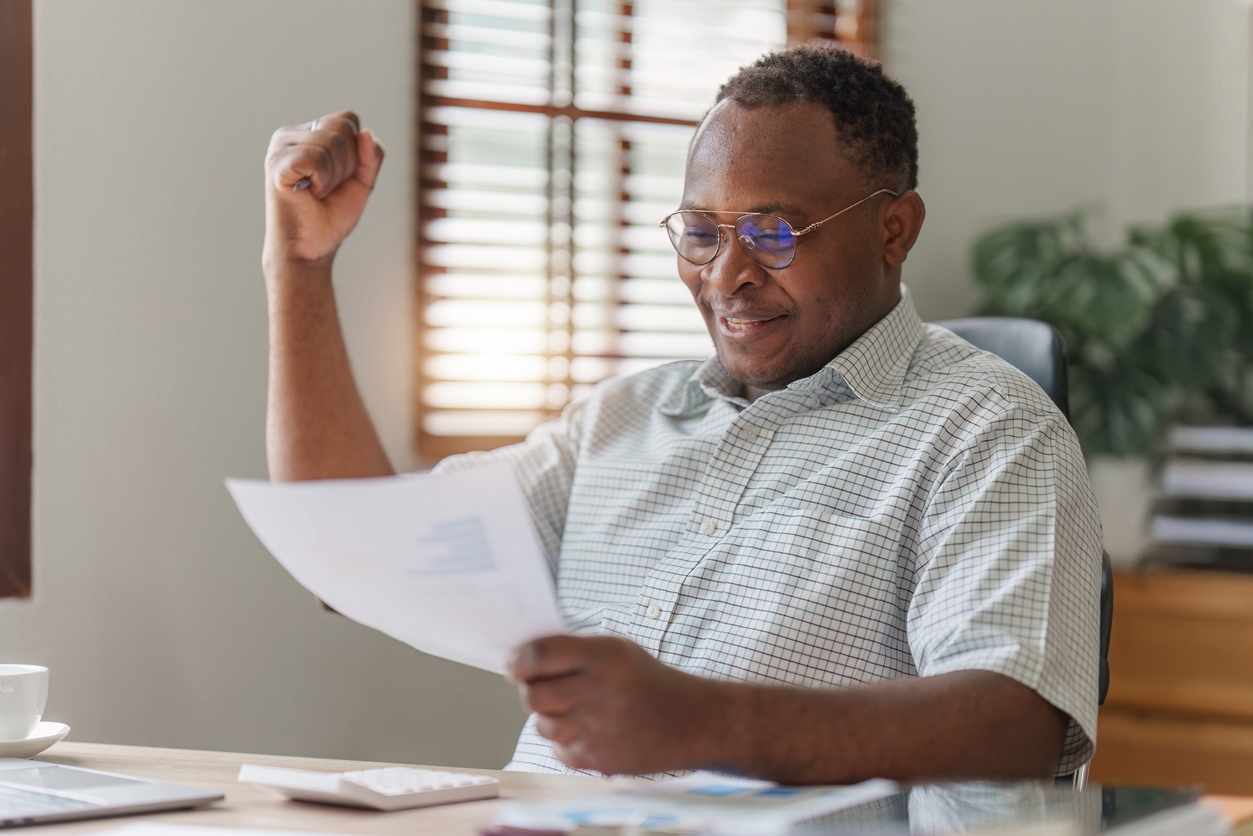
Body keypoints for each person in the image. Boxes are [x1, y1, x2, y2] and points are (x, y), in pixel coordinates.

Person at [261, 44, 1102, 785]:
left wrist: (705, 724)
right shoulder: (623, 419)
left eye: (775, 232)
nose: (726, 274)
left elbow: (1015, 724)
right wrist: (300, 267)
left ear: (893, 229)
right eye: (700, 232)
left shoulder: (988, 432)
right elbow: (352, 548)